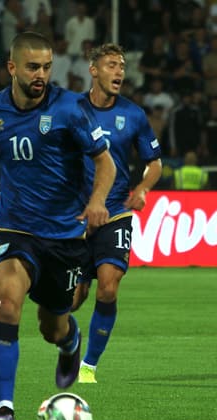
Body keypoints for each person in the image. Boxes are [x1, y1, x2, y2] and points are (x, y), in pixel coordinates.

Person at [0, 31, 116, 420]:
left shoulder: (71, 109)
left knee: (51, 325)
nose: (41, 74)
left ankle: (70, 340)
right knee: (7, 302)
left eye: (46, 67)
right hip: (15, 227)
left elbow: (106, 164)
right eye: (32, 67)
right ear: (12, 67)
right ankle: (4, 411)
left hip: (64, 237)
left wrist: (97, 202)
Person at [70, 43, 162, 384]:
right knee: (73, 300)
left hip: (115, 213)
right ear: (94, 71)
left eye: (122, 65)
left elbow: (155, 163)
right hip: (74, 216)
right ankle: (70, 343)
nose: (119, 71)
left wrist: (143, 189)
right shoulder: (71, 109)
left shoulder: (134, 115)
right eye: (111, 65)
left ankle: (89, 367)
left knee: (108, 287)